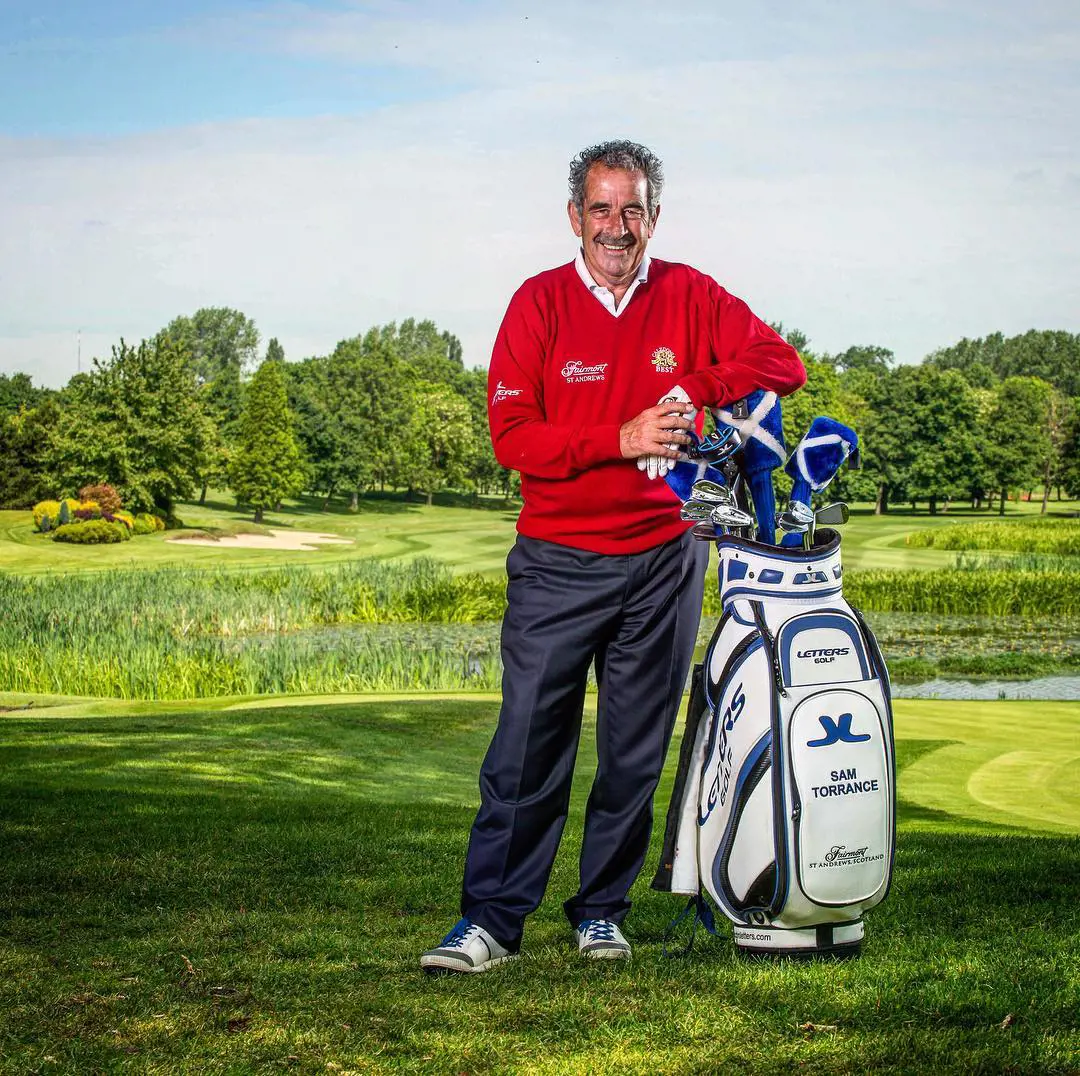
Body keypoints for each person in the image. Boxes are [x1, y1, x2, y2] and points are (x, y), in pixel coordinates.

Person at [420, 140, 805, 973]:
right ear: (575, 217)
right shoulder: (540, 304)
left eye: (633, 210)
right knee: (527, 747)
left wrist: (696, 386)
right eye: (601, 209)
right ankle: (490, 921)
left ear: (653, 217)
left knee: (634, 750)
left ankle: (602, 911)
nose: (617, 227)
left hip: (665, 562)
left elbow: (783, 363)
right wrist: (621, 435)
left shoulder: (690, 293)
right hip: (558, 560)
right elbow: (512, 436)